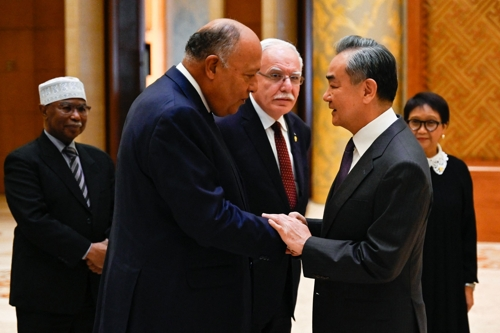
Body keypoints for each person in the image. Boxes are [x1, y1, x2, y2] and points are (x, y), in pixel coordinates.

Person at [93, 19, 286, 333]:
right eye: (249, 75)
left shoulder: (173, 99)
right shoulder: (175, 114)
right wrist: (284, 238)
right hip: (169, 305)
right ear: (212, 66)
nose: (252, 88)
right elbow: (208, 218)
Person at [263, 35, 433, 333]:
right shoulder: (367, 144)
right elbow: (360, 224)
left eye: (334, 85)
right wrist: (308, 226)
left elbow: (379, 260)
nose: (326, 96)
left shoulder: (402, 163)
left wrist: (306, 245)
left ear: (367, 90)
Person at [3, 76, 115, 333]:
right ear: (44, 110)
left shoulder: (99, 160)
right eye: (66, 107)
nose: (76, 116)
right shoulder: (24, 161)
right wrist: (88, 251)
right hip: (46, 294)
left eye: (82, 108)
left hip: (95, 289)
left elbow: (117, 211)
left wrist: (109, 245)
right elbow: (34, 221)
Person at [217, 38, 311, 333]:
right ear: (253, 78)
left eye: (294, 78)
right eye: (275, 76)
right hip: (237, 283)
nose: (287, 86)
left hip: (283, 282)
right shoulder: (225, 127)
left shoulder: (299, 130)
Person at [403, 91, 478, 333]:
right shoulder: (396, 168)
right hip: (406, 275)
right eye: (415, 122)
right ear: (405, 125)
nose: (422, 130)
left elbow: (468, 228)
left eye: (431, 122)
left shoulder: (457, 171)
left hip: (448, 274)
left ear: (444, 126)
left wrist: (468, 283)